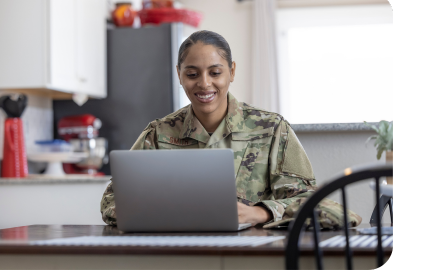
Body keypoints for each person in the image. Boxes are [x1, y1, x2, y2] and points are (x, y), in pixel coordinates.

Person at [101, 30, 362, 229]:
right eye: (192, 74)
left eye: (215, 72)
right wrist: (165, 213)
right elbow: (112, 202)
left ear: (231, 71)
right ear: (179, 74)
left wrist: (262, 212)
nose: (204, 84)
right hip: (176, 251)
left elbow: (311, 201)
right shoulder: (158, 134)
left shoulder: (272, 130)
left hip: (254, 256)